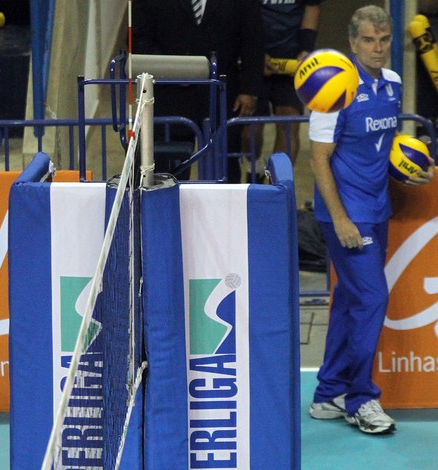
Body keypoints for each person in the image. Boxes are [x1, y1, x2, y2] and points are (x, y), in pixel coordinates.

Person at [307, 5, 435, 434]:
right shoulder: (332, 89)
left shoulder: (393, 83)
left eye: (383, 41)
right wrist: (341, 219)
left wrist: (413, 167)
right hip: (346, 215)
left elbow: (384, 141)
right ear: (352, 42)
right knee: (372, 299)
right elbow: (319, 159)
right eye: (368, 41)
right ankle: (361, 399)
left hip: (378, 209)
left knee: (349, 301)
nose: (377, 49)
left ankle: (328, 393)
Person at [132, 0, 264, 182]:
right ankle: (168, 208)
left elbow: (253, 41)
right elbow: (140, 40)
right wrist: (175, 69)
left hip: (222, 94)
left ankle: (224, 208)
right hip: (169, 96)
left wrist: (249, 90)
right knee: (168, 170)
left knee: (224, 168)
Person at [242, 0, 324, 181]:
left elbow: (312, 8)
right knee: (250, 130)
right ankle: (254, 166)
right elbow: (240, 11)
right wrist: (252, 53)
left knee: (289, 122)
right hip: (254, 54)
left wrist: (306, 49)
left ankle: (277, 184)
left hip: (291, 58)